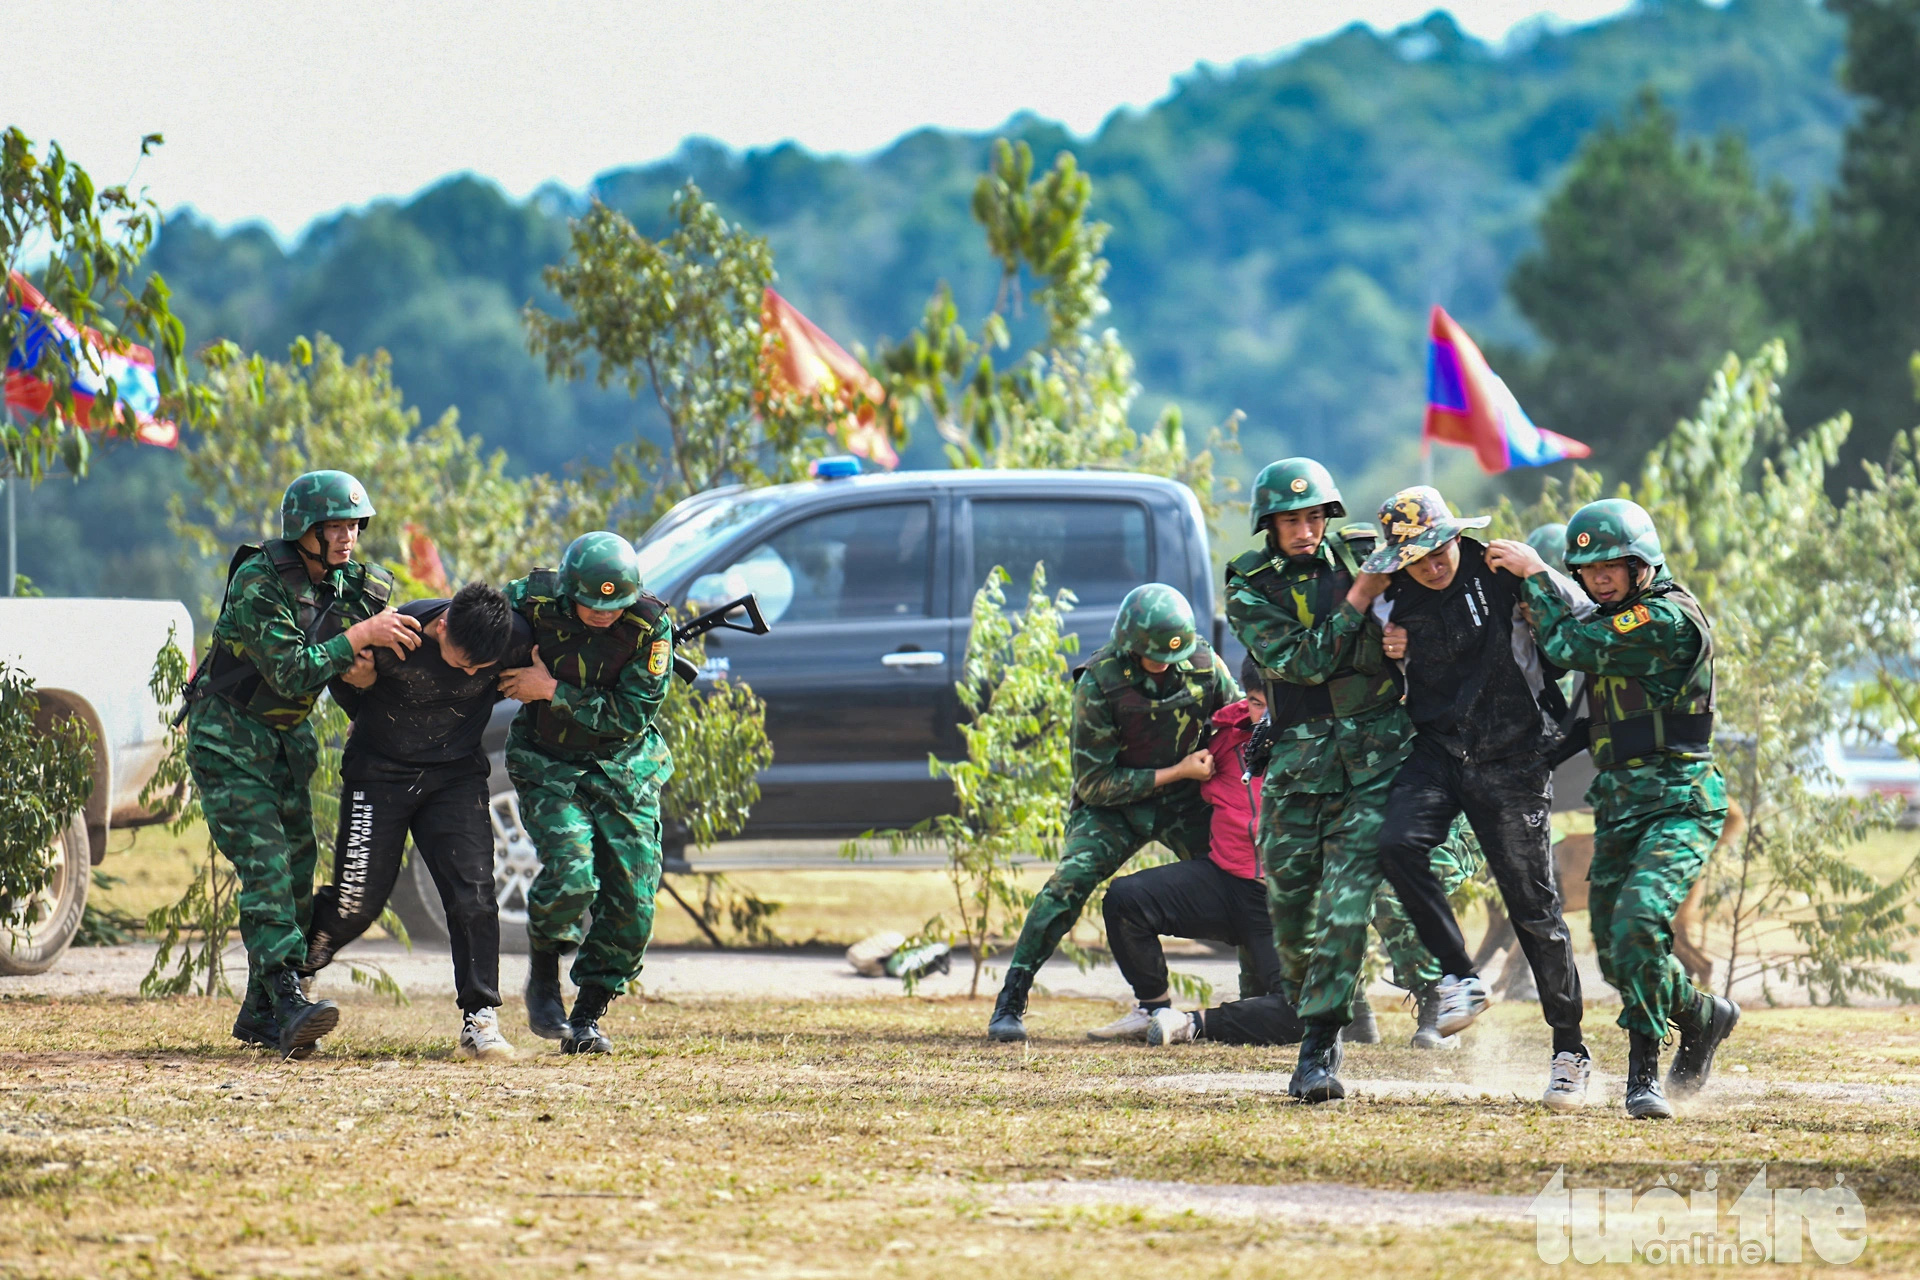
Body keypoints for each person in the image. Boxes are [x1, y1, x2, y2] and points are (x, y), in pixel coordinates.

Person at [1489, 500, 1739, 1119]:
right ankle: (1703, 1017)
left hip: (1680, 802)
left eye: (1612, 567)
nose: (1599, 579)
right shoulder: (1616, 618)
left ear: (1641, 564)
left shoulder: (1662, 619)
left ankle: (1641, 1078)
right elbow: (1589, 719)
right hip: (1623, 804)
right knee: (1613, 947)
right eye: (1588, 570)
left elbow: (1569, 642)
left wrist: (1535, 573)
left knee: (1635, 929)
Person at [1354, 485, 1592, 1112]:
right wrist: (1388, 646)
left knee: (1532, 907)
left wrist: (1539, 574)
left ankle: (1569, 1049)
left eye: (1438, 549)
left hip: (1514, 757)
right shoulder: (1394, 600)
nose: (1431, 565)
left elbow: (1584, 625)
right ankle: (1461, 977)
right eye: (1416, 557)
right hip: (1438, 750)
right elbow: (1370, 660)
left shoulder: (1505, 571)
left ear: (1457, 535)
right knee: (1395, 845)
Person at [1225, 459, 1445, 1103]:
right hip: (1301, 761)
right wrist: (1358, 602)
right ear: (1270, 525)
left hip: (1378, 757)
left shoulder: (1366, 556)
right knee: (1292, 913)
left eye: (1315, 517)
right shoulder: (1250, 587)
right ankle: (1324, 1013)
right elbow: (1299, 661)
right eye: (1292, 520)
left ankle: (1321, 1049)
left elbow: (1436, 590)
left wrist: (1407, 637)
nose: (1305, 530)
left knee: (1345, 903)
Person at [183, 470, 421, 1056]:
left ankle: (262, 1017)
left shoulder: (355, 590)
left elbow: (351, 677)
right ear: (305, 531)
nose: (347, 538)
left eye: (353, 525)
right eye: (333, 526)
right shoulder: (259, 580)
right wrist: (357, 638)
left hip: (286, 744)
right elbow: (289, 669)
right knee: (265, 868)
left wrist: (363, 672)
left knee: (293, 876)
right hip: (229, 738)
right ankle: (289, 999)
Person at [985, 583, 1240, 1042]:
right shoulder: (1099, 683)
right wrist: (1177, 769)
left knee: (1241, 877)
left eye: (1172, 655)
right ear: (1129, 645)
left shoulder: (1204, 666)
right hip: (1116, 805)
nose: (1164, 664)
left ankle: (1266, 999)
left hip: (1187, 801)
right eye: (1153, 655)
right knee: (1066, 885)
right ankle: (1010, 1001)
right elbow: (1094, 784)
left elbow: (1238, 721)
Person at [299, 581, 529, 1061]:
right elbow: (339, 670)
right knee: (355, 903)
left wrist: (542, 679)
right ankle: (295, 978)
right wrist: (356, 687)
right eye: (460, 660)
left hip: (454, 776)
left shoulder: (511, 637)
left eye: (478, 669)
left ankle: (480, 1019)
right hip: (379, 773)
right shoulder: (396, 634)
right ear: (440, 625)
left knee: (475, 896)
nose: (469, 671)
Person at [501, 531, 674, 1055]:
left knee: (633, 904)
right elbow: (463, 625)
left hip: (624, 768)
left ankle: (588, 1015)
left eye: (614, 605)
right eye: (591, 605)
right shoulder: (528, 601)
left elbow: (629, 716)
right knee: (573, 875)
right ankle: (545, 974)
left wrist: (550, 689)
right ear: (567, 592)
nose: (603, 615)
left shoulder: (650, 625)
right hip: (549, 763)